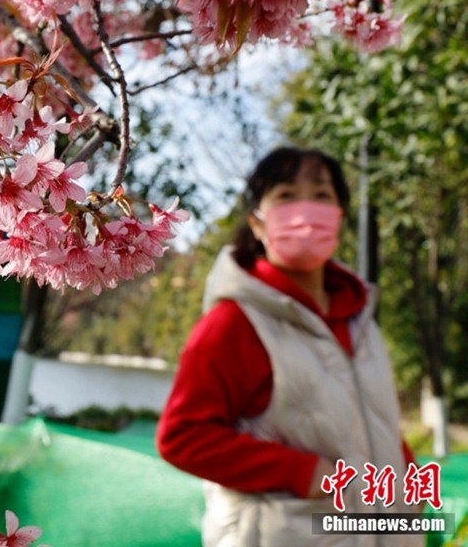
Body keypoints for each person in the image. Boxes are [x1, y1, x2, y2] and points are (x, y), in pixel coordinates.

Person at [156, 146, 422, 547]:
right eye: (285, 195)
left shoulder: (360, 319)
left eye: (321, 195)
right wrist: (306, 474)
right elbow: (182, 436)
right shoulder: (234, 323)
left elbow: (374, 417)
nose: (305, 211)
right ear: (257, 223)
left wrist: (407, 482)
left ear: (339, 217)